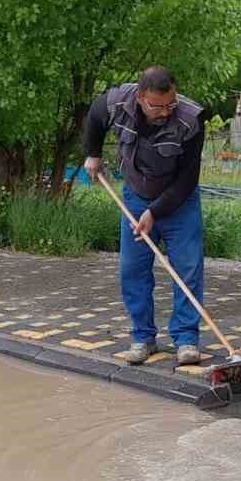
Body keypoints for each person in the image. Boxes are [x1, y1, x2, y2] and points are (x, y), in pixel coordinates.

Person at [82, 67, 207, 366]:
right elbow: (95, 118)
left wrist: (156, 212)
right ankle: (142, 337)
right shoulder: (116, 102)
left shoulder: (191, 118)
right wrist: (93, 154)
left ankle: (186, 338)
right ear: (140, 98)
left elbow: (188, 178)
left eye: (170, 104)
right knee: (132, 271)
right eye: (157, 106)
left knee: (187, 270)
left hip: (180, 204)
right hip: (136, 198)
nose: (165, 112)